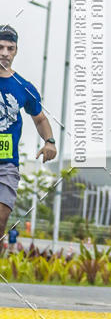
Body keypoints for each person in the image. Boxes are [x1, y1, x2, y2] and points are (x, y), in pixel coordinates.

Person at [0, 25, 56, 240]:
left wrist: (49, 141)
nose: (5, 53)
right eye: (1, 47)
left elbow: (40, 118)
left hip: (6, 164)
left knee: (1, 222)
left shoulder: (23, 87)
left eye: (10, 48)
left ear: (16, 51)